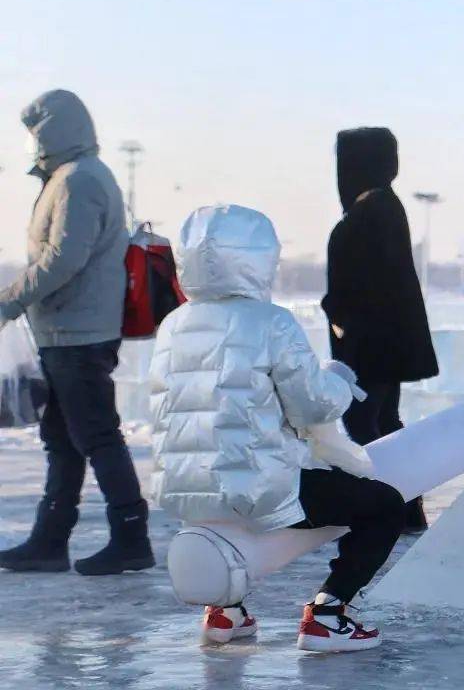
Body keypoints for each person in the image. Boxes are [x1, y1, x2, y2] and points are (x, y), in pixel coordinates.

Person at [150, 204, 406, 652]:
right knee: (384, 506)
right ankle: (329, 613)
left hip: (185, 489)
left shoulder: (173, 325)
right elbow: (313, 405)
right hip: (255, 489)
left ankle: (226, 613)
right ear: (257, 259)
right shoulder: (271, 322)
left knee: (242, 507)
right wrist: (340, 380)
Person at [0, 89, 154, 575]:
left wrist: (10, 298)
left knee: (97, 436)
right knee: (63, 439)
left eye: (34, 133)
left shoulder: (80, 180)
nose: (30, 145)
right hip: (65, 330)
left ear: (53, 130)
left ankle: (131, 537)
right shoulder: (69, 177)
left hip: (79, 332)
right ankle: (50, 540)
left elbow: (64, 258)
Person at [322, 128, 439, 534]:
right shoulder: (383, 206)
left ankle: (391, 503)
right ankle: (406, 506)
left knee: (365, 424)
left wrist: (338, 315)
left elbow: (363, 282)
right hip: (383, 340)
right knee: (384, 421)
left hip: (369, 343)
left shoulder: (370, 211)